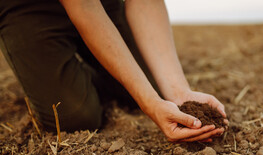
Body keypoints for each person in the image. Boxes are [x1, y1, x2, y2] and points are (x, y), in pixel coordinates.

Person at [0, 0, 227, 142]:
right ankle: (73, 74)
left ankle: (97, 72)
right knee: (76, 116)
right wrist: (149, 102)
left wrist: (179, 92)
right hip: (29, 8)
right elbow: (83, 7)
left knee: (157, 86)